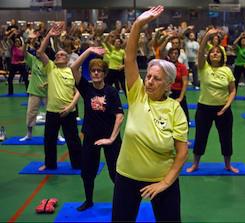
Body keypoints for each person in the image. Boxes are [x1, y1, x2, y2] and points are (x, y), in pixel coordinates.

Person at [112, 6, 188, 222]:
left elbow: (181, 153)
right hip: (127, 177)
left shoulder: (175, 110)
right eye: (149, 76)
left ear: (168, 84)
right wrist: (137, 25)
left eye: (156, 78)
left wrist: (165, 183)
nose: (150, 81)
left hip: (162, 178)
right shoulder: (137, 94)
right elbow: (129, 59)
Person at [70, 47, 124, 211]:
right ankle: (88, 200)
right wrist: (88, 51)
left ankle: (121, 203)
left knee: (116, 173)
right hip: (91, 136)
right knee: (87, 172)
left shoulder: (112, 91)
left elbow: (119, 116)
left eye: (99, 71)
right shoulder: (86, 89)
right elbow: (73, 68)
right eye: (93, 70)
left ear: (104, 73)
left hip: (110, 137)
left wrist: (112, 138)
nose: (95, 73)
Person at [187, 28, 238, 173]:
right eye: (212, 52)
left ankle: (228, 165)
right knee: (200, 136)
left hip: (223, 109)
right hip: (204, 108)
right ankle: (195, 164)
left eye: (218, 52)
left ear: (222, 56)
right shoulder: (204, 68)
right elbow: (201, 51)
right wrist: (207, 36)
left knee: (226, 137)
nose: (215, 53)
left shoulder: (227, 70)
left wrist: (226, 106)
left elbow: (233, 90)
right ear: (209, 56)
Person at [36, 23, 82, 171]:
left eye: (62, 54)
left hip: (69, 111)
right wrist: (49, 35)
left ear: (68, 59)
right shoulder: (51, 68)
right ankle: (50, 164)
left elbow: (79, 91)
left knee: (73, 140)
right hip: (52, 111)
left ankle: (78, 164)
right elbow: (40, 52)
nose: (58, 55)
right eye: (57, 55)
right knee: (49, 140)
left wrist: (70, 107)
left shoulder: (72, 71)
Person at [167, 48, 190, 124]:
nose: (173, 55)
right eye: (172, 53)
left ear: (178, 55)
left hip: (179, 93)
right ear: (169, 54)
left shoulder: (182, 67)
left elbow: (185, 82)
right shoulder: (166, 66)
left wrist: (181, 97)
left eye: (176, 53)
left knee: (184, 120)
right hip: (167, 94)